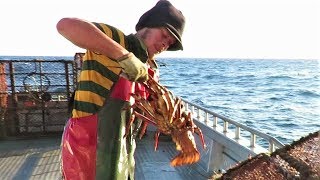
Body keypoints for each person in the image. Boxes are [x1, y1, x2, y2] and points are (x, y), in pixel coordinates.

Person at [56, 0, 185, 179]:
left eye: (169, 43)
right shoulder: (116, 39)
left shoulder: (151, 70)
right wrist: (123, 56)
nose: (165, 44)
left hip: (122, 152)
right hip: (86, 148)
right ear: (149, 25)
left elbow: (146, 114)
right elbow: (65, 25)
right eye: (164, 35)